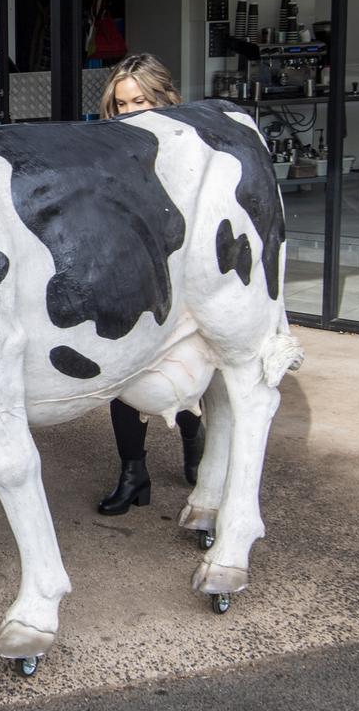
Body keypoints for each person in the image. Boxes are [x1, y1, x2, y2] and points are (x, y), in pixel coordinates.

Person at [95, 53, 204, 516]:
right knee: (126, 374)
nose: (131, 112)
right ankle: (133, 472)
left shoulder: (191, 145)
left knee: (187, 367)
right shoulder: (107, 148)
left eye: (140, 100)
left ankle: (195, 450)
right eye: (122, 104)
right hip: (130, 271)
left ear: (164, 98)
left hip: (184, 271)